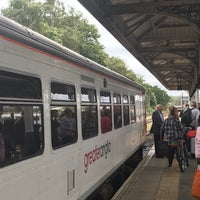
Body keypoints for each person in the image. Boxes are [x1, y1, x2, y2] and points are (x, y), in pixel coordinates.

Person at [162, 106, 188, 171]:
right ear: (174, 113)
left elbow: (162, 128)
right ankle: (181, 160)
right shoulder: (176, 121)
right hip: (177, 139)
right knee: (179, 150)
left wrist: (167, 134)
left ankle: (170, 164)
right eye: (177, 112)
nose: (177, 113)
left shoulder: (166, 120)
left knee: (170, 151)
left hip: (170, 140)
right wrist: (187, 129)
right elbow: (183, 128)